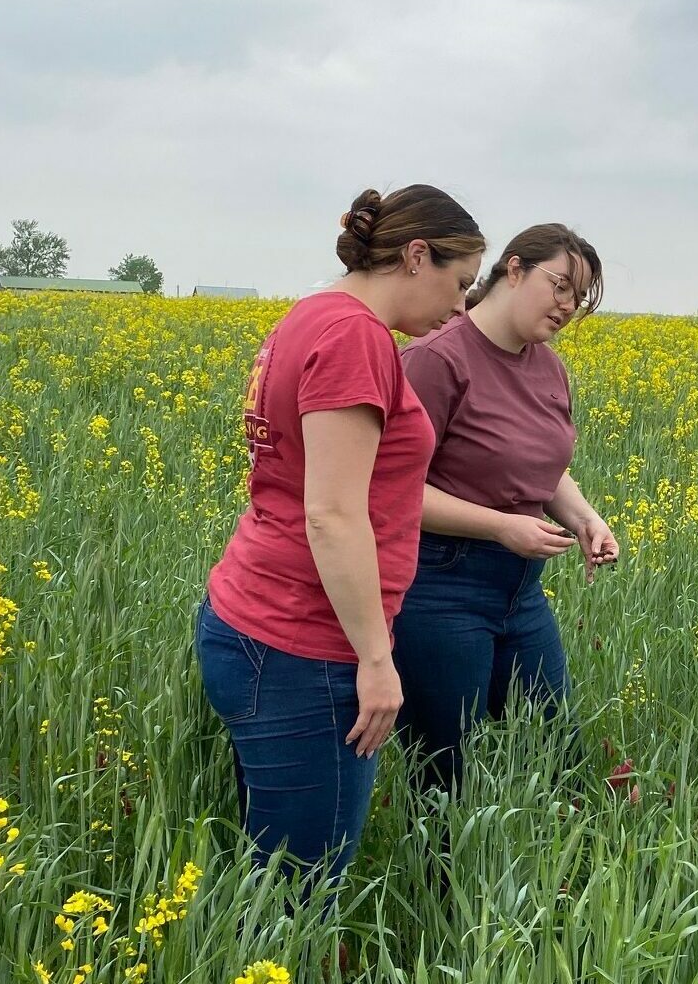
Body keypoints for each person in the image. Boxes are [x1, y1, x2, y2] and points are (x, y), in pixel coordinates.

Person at [195, 185, 484, 885]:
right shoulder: (354, 337)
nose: (460, 307)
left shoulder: (310, 315)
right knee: (301, 892)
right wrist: (376, 658)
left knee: (268, 882)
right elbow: (331, 512)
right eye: (460, 282)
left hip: (255, 617)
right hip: (304, 645)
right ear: (417, 256)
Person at [391, 223, 619, 795]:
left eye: (580, 297)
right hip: (439, 586)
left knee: (557, 751)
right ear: (513, 269)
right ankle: (440, 883)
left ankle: (557, 879)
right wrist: (500, 526)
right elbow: (394, 490)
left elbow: (537, 467)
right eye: (561, 286)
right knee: (445, 770)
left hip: (520, 591)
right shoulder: (436, 360)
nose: (568, 307)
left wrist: (586, 518)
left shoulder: (547, 366)